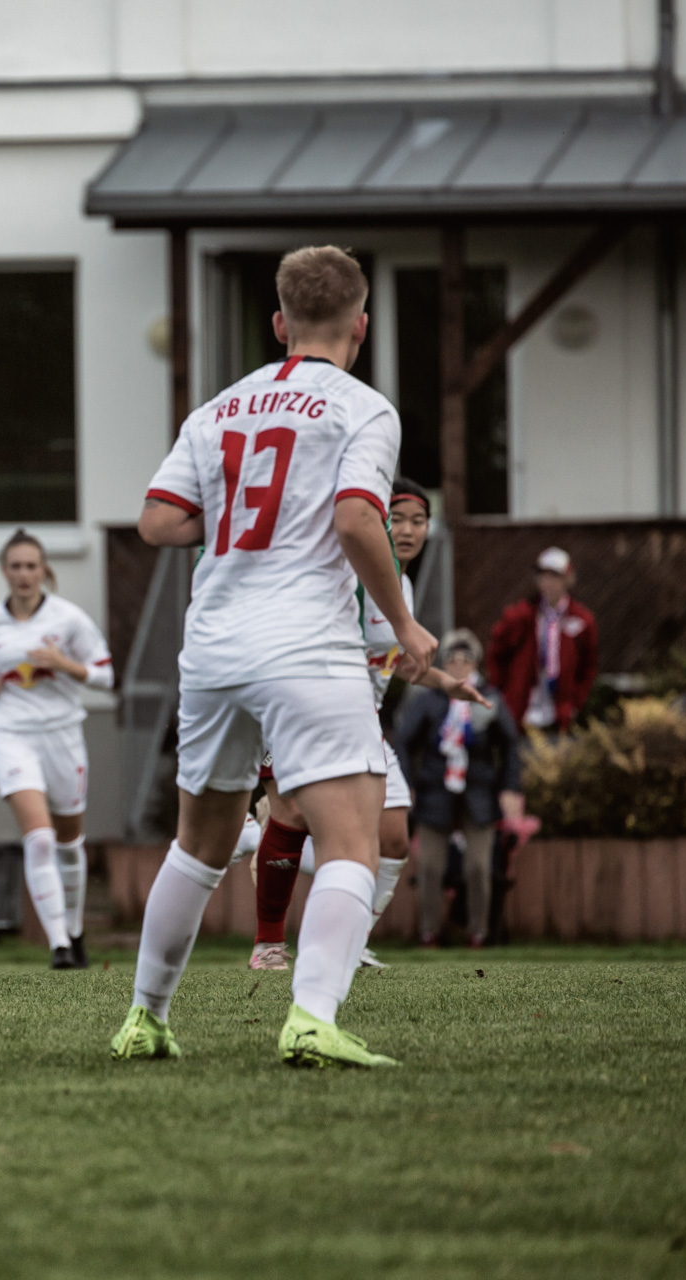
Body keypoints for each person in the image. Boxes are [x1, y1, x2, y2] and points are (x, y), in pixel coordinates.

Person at [109, 245, 436, 1069]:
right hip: (305, 644)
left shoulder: (219, 407)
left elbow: (156, 519)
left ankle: (144, 1018)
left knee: (199, 844)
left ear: (279, 322)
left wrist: (230, 522)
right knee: (355, 844)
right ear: (362, 324)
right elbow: (361, 518)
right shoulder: (364, 408)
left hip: (215, 643)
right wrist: (404, 624)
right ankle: (312, 1016)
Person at [243, 476, 487, 972]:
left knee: (393, 839)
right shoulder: (346, 570)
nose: (407, 529)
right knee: (293, 817)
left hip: (361, 719)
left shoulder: (402, 584)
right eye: (394, 518)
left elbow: (393, 658)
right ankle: (268, 943)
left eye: (418, 520)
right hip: (307, 704)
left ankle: (345, 943)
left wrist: (446, 683)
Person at [0, 530, 113, 970]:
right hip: (10, 733)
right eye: (16, 566)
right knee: (40, 837)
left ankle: (76, 928)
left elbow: (105, 675)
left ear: (45, 571)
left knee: (69, 843)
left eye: (32, 566)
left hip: (63, 734)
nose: (25, 575)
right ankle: (59, 944)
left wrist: (64, 664)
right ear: (4, 571)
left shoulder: (69, 619)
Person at [395, 629, 525, 947]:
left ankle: (478, 932)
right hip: (435, 791)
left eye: (465, 660)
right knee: (429, 866)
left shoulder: (489, 698)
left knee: (480, 865)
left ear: (475, 663)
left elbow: (510, 743)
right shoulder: (429, 700)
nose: (459, 666)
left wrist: (510, 787)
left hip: (479, 791)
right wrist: (407, 784)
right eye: (452, 660)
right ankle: (429, 932)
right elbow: (403, 740)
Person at [486, 546, 598, 738]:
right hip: (522, 707)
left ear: (567, 579)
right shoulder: (520, 615)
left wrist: (575, 703)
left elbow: (589, 665)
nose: (548, 583)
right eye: (543, 576)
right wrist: (503, 694)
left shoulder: (581, 619)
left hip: (559, 710)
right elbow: (496, 653)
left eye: (555, 577)